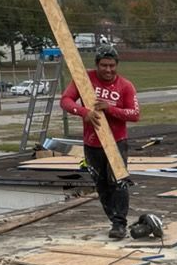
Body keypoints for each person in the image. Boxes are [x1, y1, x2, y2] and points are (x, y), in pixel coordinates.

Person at [59, 45, 139, 239]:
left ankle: (120, 223)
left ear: (116, 65)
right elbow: (65, 100)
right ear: (97, 64)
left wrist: (110, 109)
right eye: (104, 65)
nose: (108, 70)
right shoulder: (84, 80)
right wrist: (84, 112)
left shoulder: (125, 86)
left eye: (112, 66)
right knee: (101, 184)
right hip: (92, 143)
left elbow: (135, 114)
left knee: (118, 182)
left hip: (117, 142)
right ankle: (113, 219)